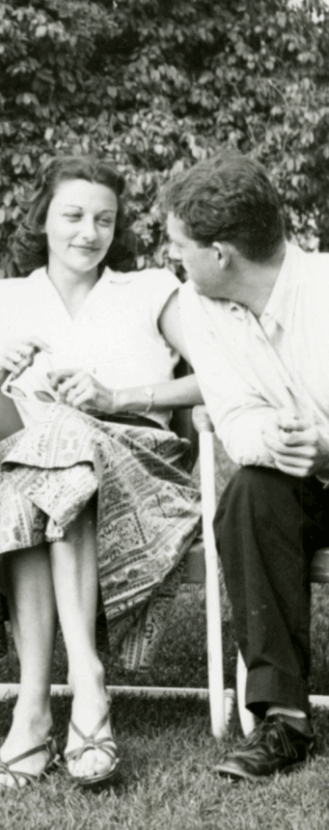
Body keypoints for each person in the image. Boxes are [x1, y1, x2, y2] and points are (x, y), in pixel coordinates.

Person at [0, 155, 202, 792]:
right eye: (72, 215)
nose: (88, 232)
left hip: (142, 471)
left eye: (104, 219)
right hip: (43, 480)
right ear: (42, 219)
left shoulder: (152, 289)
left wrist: (116, 398)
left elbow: (217, 375)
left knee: (56, 448)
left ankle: (36, 710)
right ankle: (79, 694)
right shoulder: (1, 300)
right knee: (46, 466)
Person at [164, 152, 328, 781]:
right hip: (303, 481)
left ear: (222, 253)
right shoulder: (198, 304)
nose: (176, 259)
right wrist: (281, 438)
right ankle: (283, 719)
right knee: (251, 495)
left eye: (181, 247)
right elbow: (233, 417)